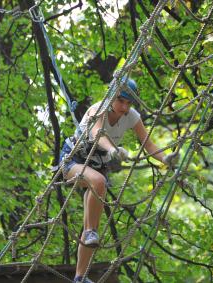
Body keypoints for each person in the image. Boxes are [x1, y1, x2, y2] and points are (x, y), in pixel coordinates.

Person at [59, 78, 179, 283]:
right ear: (112, 97)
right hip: (74, 162)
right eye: (120, 101)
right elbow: (98, 132)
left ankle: (80, 277)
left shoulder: (131, 116)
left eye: (128, 103)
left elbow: (148, 144)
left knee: (94, 209)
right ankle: (90, 232)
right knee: (98, 183)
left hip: (96, 167)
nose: (124, 107)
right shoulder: (97, 109)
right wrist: (114, 150)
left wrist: (165, 159)